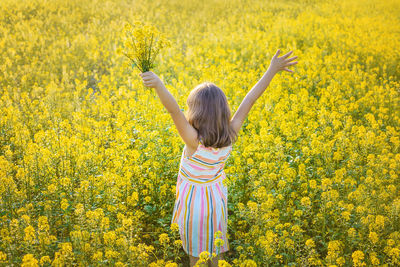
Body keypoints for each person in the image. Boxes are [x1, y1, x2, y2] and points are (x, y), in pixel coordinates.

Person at [139, 49, 298, 267]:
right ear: (223, 111)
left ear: (196, 113)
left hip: (193, 202)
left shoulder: (193, 140)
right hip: (215, 199)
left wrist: (159, 84)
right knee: (215, 246)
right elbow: (250, 99)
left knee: (196, 254)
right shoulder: (231, 134)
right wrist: (271, 70)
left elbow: (173, 110)